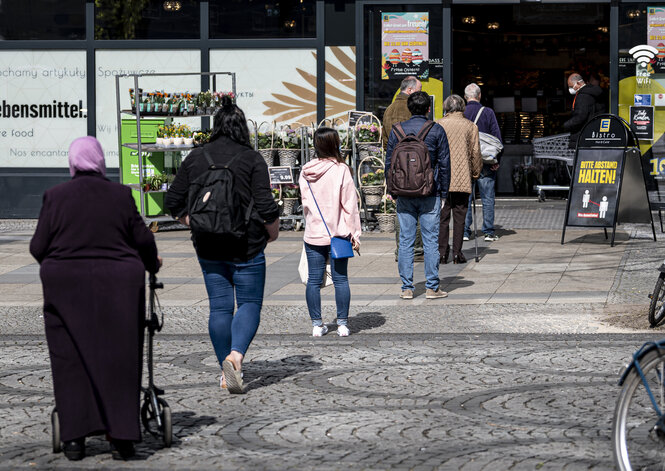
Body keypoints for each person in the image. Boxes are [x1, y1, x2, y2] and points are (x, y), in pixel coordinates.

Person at [30, 136, 161, 461]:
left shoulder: (55, 196)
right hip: (119, 287)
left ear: (73, 162)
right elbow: (143, 239)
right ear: (101, 162)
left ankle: (74, 439)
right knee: (120, 358)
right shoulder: (120, 195)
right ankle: (122, 438)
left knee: (69, 359)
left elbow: (37, 247)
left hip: (66, 289)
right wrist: (151, 262)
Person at [165, 96, 279, 394]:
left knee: (219, 308)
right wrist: (273, 229)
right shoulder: (251, 158)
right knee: (250, 303)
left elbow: (172, 201)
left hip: (208, 244)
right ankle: (236, 355)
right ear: (243, 128)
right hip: (247, 244)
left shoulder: (196, 157)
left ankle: (223, 371)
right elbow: (266, 205)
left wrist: (194, 222)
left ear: (215, 126)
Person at [385, 91, 451, 300]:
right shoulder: (436, 130)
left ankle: (406, 288)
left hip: (403, 192)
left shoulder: (397, 131)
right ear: (429, 109)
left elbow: (389, 163)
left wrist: (392, 189)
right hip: (429, 192)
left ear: (409, 108)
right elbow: (445, 164)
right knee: (431, 240)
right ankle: (432, 287)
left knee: (406, 240)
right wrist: (443, 192)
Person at [299, 127, 361, 337]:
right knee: (341, 279)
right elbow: (349, 205)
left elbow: (305, 203)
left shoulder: (306, 170)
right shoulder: (341, 169)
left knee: (314, 280)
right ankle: (342, 324)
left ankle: (317, 325)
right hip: (339, 233)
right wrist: (355, 233)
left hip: (314, 232)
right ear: (335, 144)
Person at [382, 76, 424, 261]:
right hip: (414, 166)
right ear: (410, 90)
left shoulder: (389, 109)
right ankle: (417, 249)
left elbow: (384, 140)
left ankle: (401, 249)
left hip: (395, 166)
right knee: (419, 209)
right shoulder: (411, 109)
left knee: (401, 209)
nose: (420, 94)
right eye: (419, 90)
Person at [437, 95, 482, 264]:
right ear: (462, 107)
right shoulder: (471, 126)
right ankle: (457, 253)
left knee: (442, 217)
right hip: (462, 177)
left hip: (442, 178)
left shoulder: (438, 124)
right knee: (460, 216)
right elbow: (476, 153)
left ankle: (442, 253)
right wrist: (475, 173)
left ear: (446, 107)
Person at [462, 83, 503, 243]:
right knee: (487, 198)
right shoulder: (488, 112)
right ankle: (488, 232)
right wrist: (496, 160)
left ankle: (465, 232)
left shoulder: (461, 113)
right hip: (485, 161)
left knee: (465, 198)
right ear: (479, 95)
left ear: (465, 97)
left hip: (465, 162)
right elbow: (497, 139)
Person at [563, 73, 603, 147]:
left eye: (571, 86)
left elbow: (580, 117)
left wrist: (566, 125)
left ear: (578, 83)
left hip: (582, 137)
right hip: (592, 134)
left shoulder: (583, 96)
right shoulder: (592, 93)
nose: (570, 89)